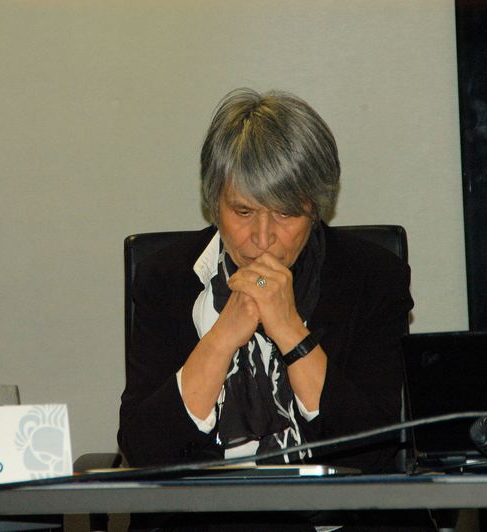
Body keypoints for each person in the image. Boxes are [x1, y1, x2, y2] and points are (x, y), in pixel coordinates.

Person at [117, 88, 416, 530]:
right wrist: (223, 335)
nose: (262, 238)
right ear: (214, 203)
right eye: (242, 211)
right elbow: (145, 451)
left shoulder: (372, 277)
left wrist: (290, 329)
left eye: (285, 214)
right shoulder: (167, 278)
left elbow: (371, 452)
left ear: (316, 209)